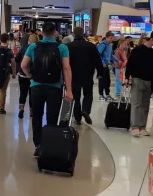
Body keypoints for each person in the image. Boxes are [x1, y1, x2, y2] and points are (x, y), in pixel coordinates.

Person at [20, 21, 73, 157]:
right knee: (52, 117)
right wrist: (69, 90)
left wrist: (30, 77)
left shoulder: (33, 46)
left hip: (36, 87)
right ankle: (49, 144)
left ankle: (38, 145)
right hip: (55, 87)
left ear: (41, 33)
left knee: (36, 116)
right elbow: (66, 68)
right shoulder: (62, 48)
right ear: (55, 33)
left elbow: (24, 65)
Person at [124, 31, 153, 137]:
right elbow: (130, 64)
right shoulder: (137, 50)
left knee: (145, 105)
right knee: (136, 103)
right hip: (137, 79)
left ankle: (142, 126)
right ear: (151, 39)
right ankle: (135, 126)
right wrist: (127, 77)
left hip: (149, 81)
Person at [67, 26, 103, 126]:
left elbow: (65, 63)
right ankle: (86, 110)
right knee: (88, 94)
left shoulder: (68, 46)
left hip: (73, 76)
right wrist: (100, 73)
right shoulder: (91, 46)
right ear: (83, 34)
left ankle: (77, 118)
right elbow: (98, 61)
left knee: (76, 97)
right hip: (87, 75)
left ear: (73, 34)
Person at [16, 31, 38, 119]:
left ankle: (21, 109)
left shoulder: (23, 49)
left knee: (22, 93)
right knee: (32, 94)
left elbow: (17, 59)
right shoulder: (37, 49)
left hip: (22, 74)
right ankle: (32, 111)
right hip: (33, 75)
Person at [96, 32, 114, 102]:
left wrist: (116, 61)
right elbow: (98, 55)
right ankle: (101, 95)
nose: (111, 40)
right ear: (106, 37)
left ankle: (107, 94)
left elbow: (111, 55)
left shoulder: (109, 45)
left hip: (107, 66)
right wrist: (102, 62)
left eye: (112, 38)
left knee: (107, 81)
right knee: (102, 81)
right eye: (110, 38)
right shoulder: (103, 45)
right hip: (101, 66)